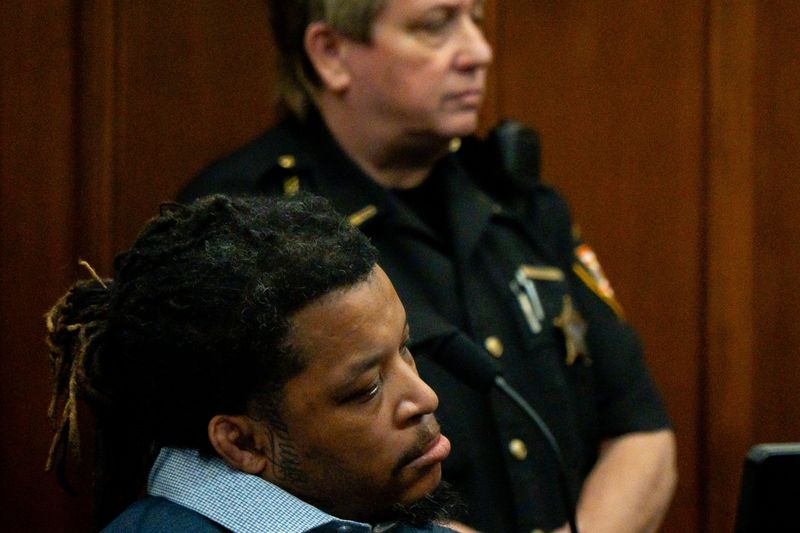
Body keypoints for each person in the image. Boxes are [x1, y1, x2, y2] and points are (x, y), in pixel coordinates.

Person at [178, 1, 678, 532]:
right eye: (435, 27)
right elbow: (228, 482)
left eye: (475, 21)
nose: (479, 53)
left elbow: (641, 431)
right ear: (331, 54)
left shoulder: (521, 202)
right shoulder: (247, 226)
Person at [44, 194, 463, 533]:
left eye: (405, 349)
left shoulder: (369, 505)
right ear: (242, 443)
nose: (424, 397)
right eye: (367, 388)